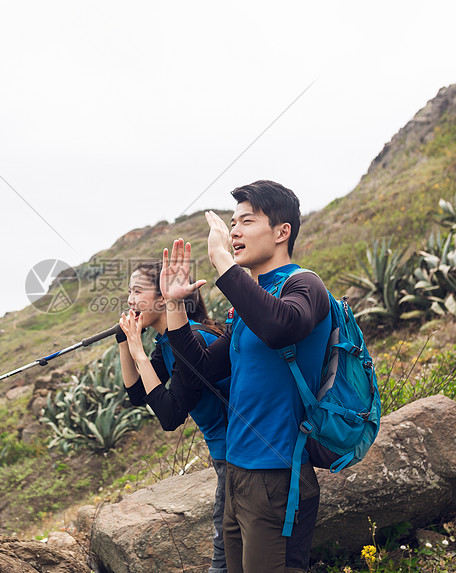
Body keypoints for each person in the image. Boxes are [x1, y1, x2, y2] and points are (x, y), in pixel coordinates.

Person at [160, 181, 331, 573]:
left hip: (277, 475)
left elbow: (280, 327)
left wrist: (223, 261)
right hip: (237, 472)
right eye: (231, 223)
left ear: (281, 231)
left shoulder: (304, 285)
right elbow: (201, 369)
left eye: (246, 221)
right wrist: (173, 306)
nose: (233, 231)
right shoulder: (249, 300)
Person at [116, 260, 230, 573]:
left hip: (239, 455)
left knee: (224, 556)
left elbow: (170, 416)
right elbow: (139, 395)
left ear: (165, 297)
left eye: (137, 291)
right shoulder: (166, 342)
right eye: (129, 292)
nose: (129, 300)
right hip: (225, 455)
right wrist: (125, 344)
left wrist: (138, 350)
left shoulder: (194, 342)